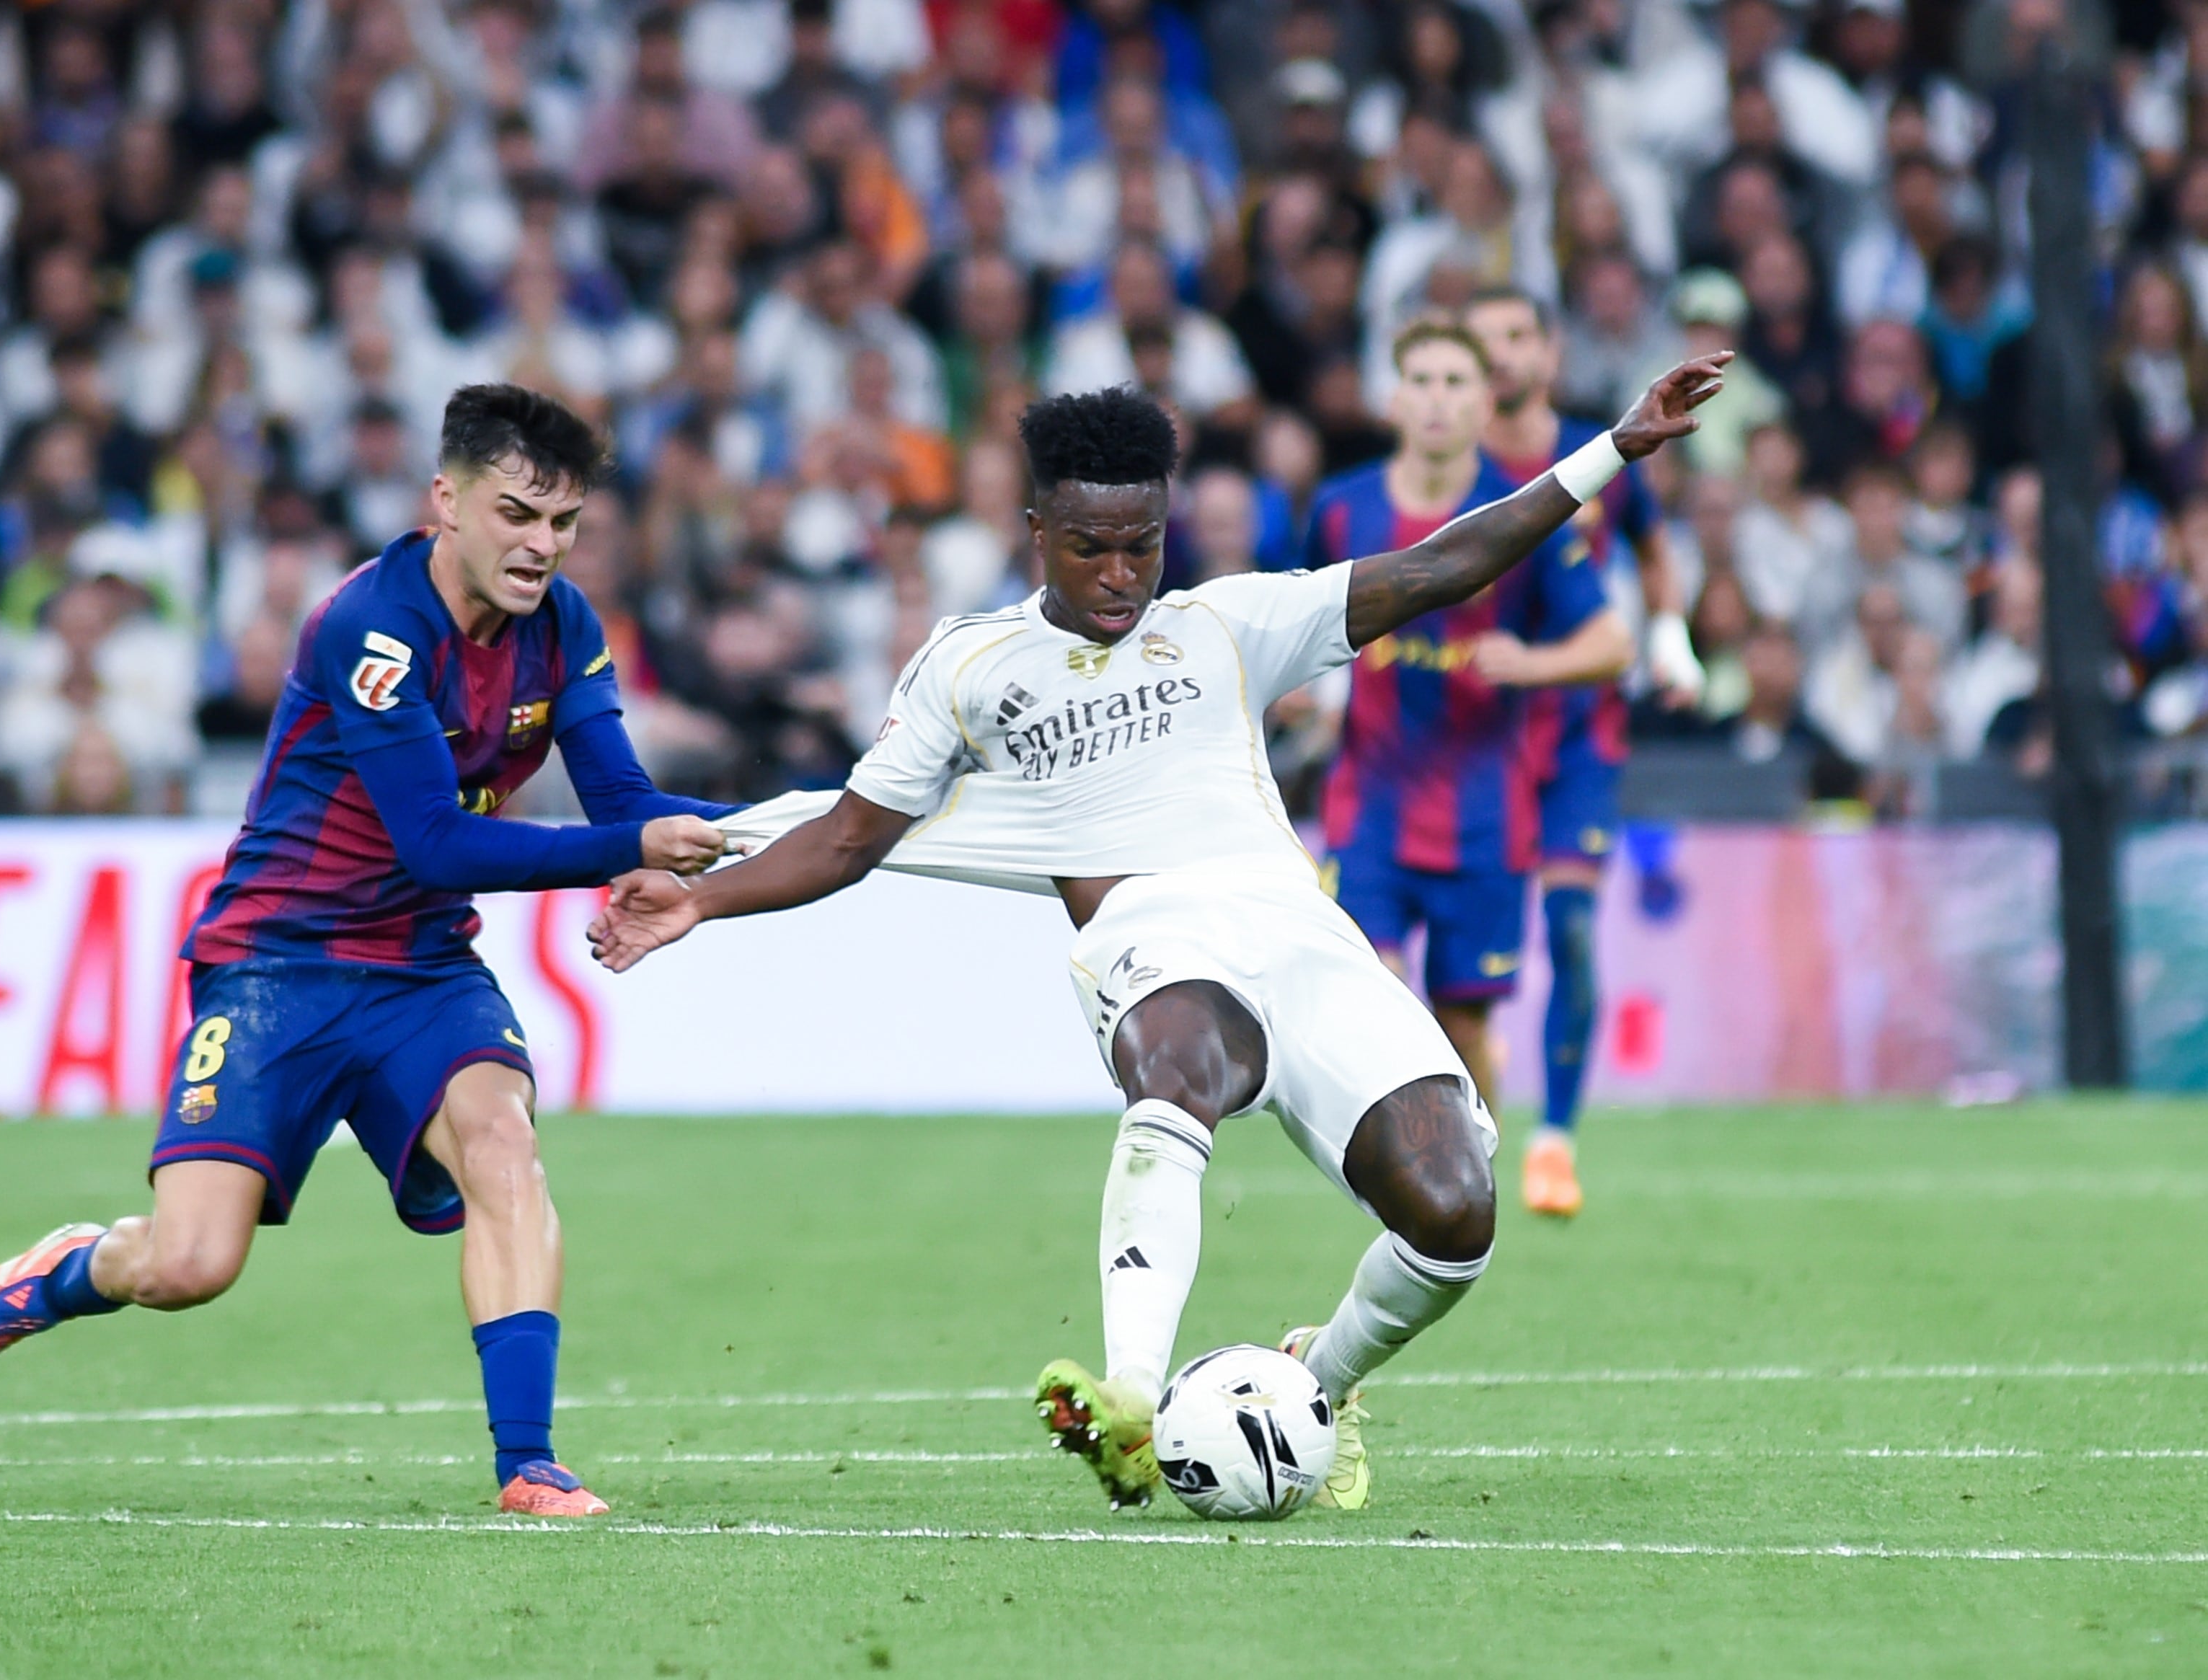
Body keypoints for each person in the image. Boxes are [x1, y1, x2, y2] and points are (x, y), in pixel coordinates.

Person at [590, 358, 1728, 1511]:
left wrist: (1615, 447)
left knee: (1456, 1213)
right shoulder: (971, 665)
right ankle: (1129, 1397)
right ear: (1036, 528)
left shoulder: (1229, 624)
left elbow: (1442, 567)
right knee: (1179, 1065)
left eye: (1143, 542)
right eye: (1090, 545)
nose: (1120, 573)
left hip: (1298, 933)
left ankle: (1313, 1382)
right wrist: (704, 900)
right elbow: (847, 837)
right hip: (1149, 936)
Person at [0, 386, 736, 1519]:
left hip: (420, 968)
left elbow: (623, 796)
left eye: (563, 524)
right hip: (276, 966)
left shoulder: (567, 627)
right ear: (444, 502)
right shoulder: (370, 624)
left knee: (505, 1147)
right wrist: (630, 845)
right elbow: (437, 839)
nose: (541, 546)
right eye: (517, 515)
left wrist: (755, 831)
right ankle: (70, 1267)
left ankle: (529, 1462)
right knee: (190, 1266)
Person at [1308, 320, 1635, 1121]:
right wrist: (1302, 691)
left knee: (1461, 1032)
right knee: (1374, 1002)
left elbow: (1611, 640)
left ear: (1484, 401)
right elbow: (1297, 621)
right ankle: (1405, 1195)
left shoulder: (1523, 515)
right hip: (1370, 809)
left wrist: (1530, 662)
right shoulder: (1339, 511)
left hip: (1483, 815)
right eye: (1419, 379)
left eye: (1456, 382)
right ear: (1391, 399)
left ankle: (1469, 1185)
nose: (1435, 400)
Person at [1462, 286, 1702, 1219]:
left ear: (1549, 351)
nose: (1505, 358)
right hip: (1478, 739)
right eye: (1487, 343)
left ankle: (1555, 1138)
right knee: (1475, 954)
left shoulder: (1600, 455)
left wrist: (1673, 631)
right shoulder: (1458, 471)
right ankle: (1479, 1096)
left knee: (1568, 929)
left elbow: (1650, 545)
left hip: (1577, 735)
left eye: (1518, 337)